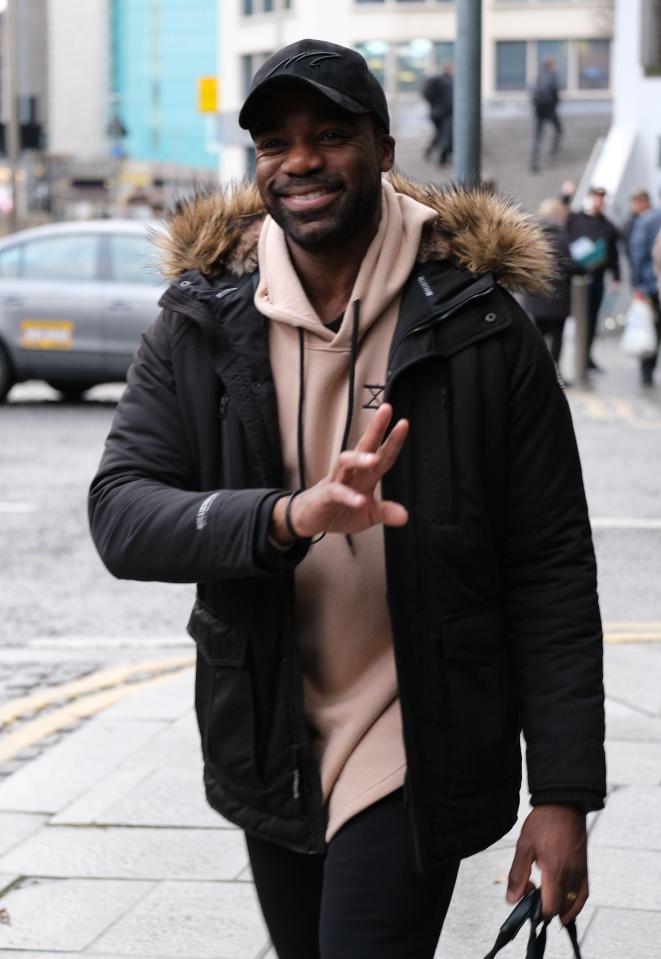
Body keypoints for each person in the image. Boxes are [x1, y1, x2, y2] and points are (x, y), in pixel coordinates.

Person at [88, 39, 605, 959]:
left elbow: (551, 564)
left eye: (329, 134)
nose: (300, 162)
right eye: (275, 143)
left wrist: (562, 794)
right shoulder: (203, 321)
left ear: (385, 148)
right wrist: (287, 515)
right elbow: (122, 513)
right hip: (272, 738)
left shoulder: (482, 329)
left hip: (419, 735)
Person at [566, 185, 621, 372]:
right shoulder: (574, 219)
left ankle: (586, 357)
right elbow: (556, 218)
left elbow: (613, 254)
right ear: (589, 198)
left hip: (596, 280)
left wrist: (617, 277)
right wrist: (565, 195)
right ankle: (571, 356)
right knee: (572, 317)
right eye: (596, 197)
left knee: (591, 319)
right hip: (573, 280)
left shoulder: (608, 226)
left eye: (602, 197)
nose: (600, 201)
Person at [522, 198, 576, 367]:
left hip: (535, 296)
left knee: (539, 336)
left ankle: (539, 370)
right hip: (557, 297)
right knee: (557, 336)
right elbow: (569, 267)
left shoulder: (531, 236)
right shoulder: (562, 239)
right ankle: (555, 373)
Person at [628, 197, 661, 385]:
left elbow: (638, 253)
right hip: (652, 285)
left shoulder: (647, 219)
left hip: (650, 285)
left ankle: (647, 370)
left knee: (652, 328)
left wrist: (637, 284)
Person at [530, 55, 562, 173]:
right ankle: (552, 152)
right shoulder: (552, 75)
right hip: (550, 109)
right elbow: (555, 91)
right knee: (559, 130)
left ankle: (534, 160)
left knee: (537, 136)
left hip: (538, 109)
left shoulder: (540, 75)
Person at [422, 62, 453, 166]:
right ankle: (442, 158)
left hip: (436, 113)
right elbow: (449, 100)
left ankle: (429, 151)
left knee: (440, 134)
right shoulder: (447, 81)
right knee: (446, 135)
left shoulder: (439, 80)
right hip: (445, 114)